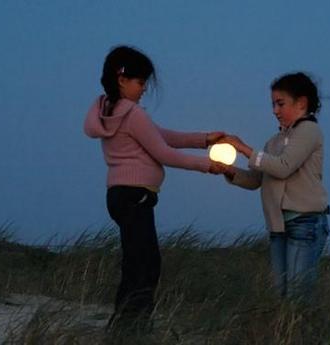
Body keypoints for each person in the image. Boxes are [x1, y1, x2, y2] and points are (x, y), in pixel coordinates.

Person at [83, 45, 226, 328]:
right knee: (145, 266)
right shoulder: (132, 114)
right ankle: (131, 327)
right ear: (122, 79)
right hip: (135, 196)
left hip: (120, 195)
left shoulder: (111, 112)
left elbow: (162, 136)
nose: (144, 88)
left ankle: (125, 324)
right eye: (140, 82)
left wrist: (206, 138)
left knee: (137, 262)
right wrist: (207, 165)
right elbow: (164, 153)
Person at [222, 72, 330, 300]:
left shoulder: (309, 131)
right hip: (278, 226)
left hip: (305, 221)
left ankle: (303, 334)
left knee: (298, 296)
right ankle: (286, 334)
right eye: (273, 104)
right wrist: (228, 171)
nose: (275, 110)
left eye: (280, 103)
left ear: (301, 103)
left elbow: (283, 167)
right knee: (280, 294)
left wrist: (244, 149)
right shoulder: (274, 142)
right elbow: (257, 180)